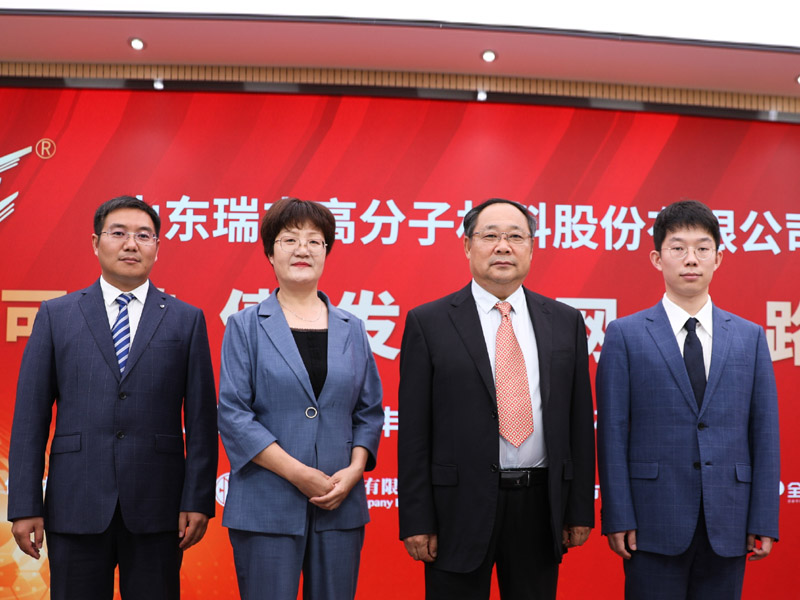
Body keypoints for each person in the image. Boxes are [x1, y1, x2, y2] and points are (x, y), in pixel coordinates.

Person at [8, 195, 218, 600]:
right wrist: (25, 503)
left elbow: (201, 421)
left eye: (144, 235)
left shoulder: (185, 319)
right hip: (76, 501)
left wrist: (197, 500)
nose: (131, 244)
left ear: (157, 246)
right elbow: (30, 419)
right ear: (95, 242)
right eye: (118, 233)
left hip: (159, 506)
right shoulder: (57, 315)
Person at [398, 198, 595, 600]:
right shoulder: (429, 322)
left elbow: (578, 422)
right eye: (490, 235)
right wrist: (417, 519)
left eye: (516, 237)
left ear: (531, 249)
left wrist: (578, 508)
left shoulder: (565, 321)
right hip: (457, 507)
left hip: (540, 504)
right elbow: (415, 431)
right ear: (467, 245)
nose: (503, 246)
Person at [596, 199, 780, 600]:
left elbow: (764, 432)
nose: (691, 259)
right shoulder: (625, 335)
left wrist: (764, 517)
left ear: (718, 258)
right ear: (657, 258)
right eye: (677, 248)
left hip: (729, 520)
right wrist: (618, 514)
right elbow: (612, 431)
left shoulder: (749, 337)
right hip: (651, 520)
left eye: (702, 248)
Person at [218, 197, 383, 600]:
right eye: (289, 240)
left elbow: (369, 412)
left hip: (339, 501)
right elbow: (234, 415)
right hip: (265, 503)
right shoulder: (245, 325)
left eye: (314, 240)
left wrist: (355, 470)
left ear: (327, 251)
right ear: (270, 253)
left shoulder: (352, 327)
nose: (302, 249)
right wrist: (298, 473)